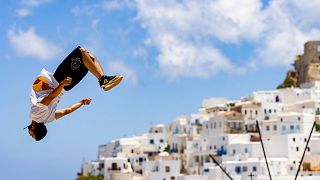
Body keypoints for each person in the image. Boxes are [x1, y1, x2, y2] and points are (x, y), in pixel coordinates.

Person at [26, 46, 123, 141]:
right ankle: (103, 81)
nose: (30, 135)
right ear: (35, 129)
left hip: (66, 86)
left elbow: (67, 111)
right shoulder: (35, 114)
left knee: (89, 57)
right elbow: (50, 97)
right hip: (60, 79)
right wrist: (62, 84)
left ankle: (103, 80)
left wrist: (81, 103)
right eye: (32, 136)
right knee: (82, 52)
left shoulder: (48, 119)